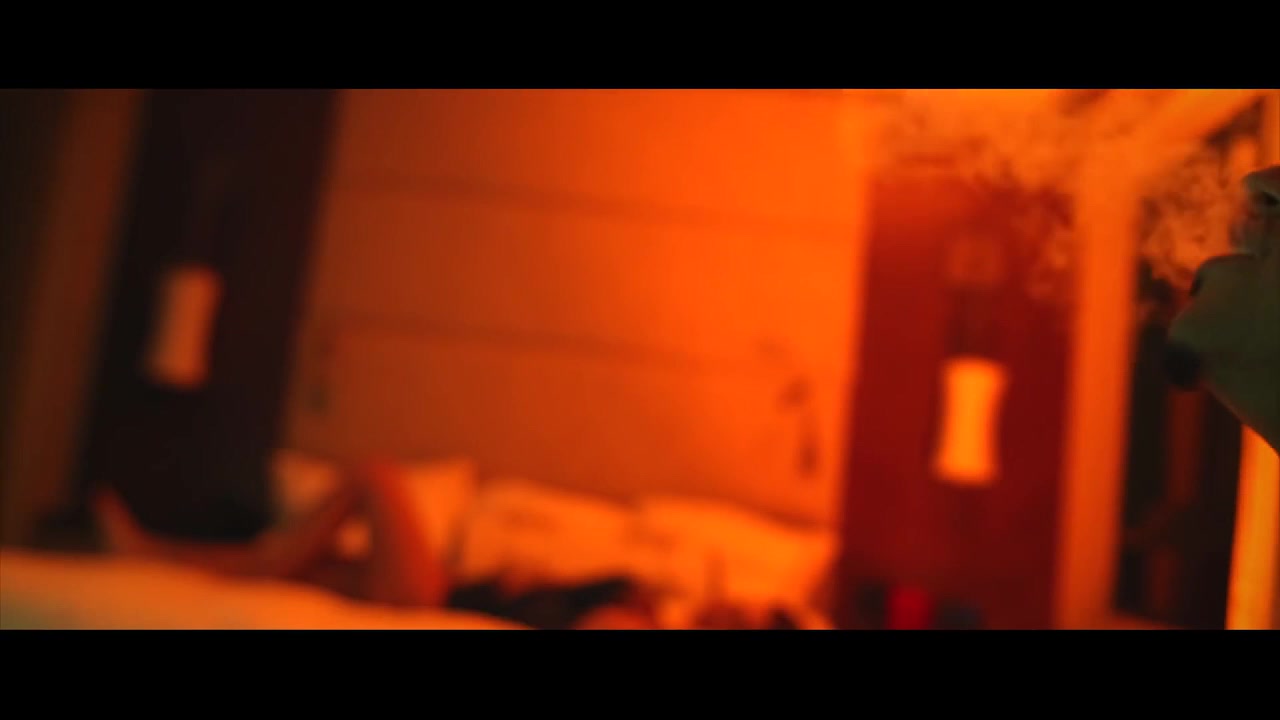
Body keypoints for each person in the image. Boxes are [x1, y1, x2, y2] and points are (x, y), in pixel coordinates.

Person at [94, 460, 657, 629]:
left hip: (433, 598)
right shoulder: (625, 596)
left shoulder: (637, 618)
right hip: (446, 587)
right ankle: (149, 555)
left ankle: (275, 553)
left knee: (376, 479)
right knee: (308, 572)